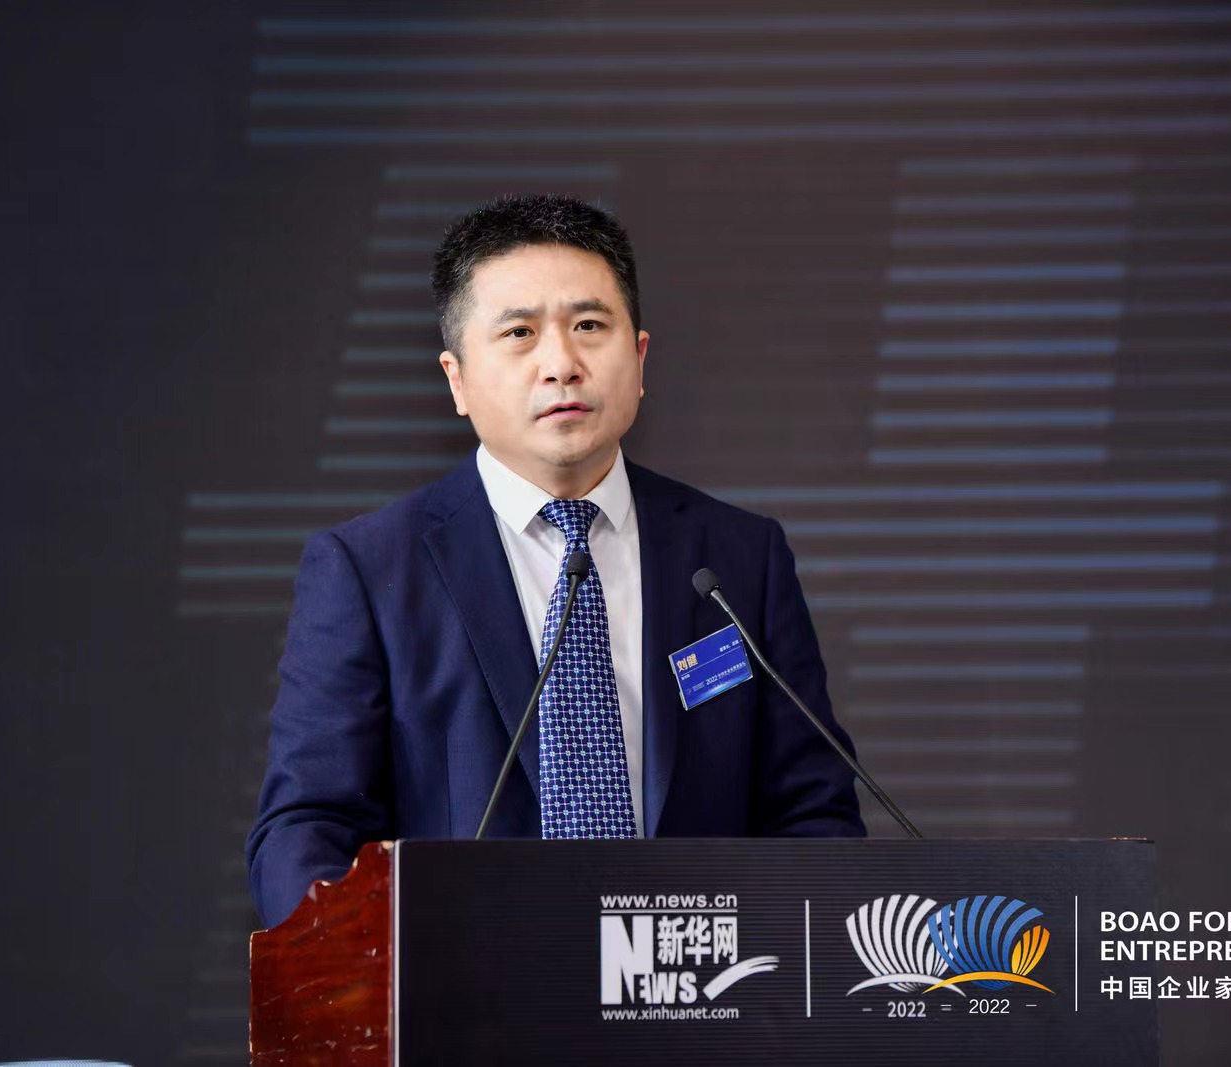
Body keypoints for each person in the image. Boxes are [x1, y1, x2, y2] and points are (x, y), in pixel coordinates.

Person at [246, 194, 865, 928]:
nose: (562, 365)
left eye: (589, 326)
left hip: (699, 984)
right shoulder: (369, 569)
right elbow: (307, 828)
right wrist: (371, 970)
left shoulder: (738, 557)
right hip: (466, 986)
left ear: (639, 359)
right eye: (519, 333)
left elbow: (813, 813)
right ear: (456, 379)